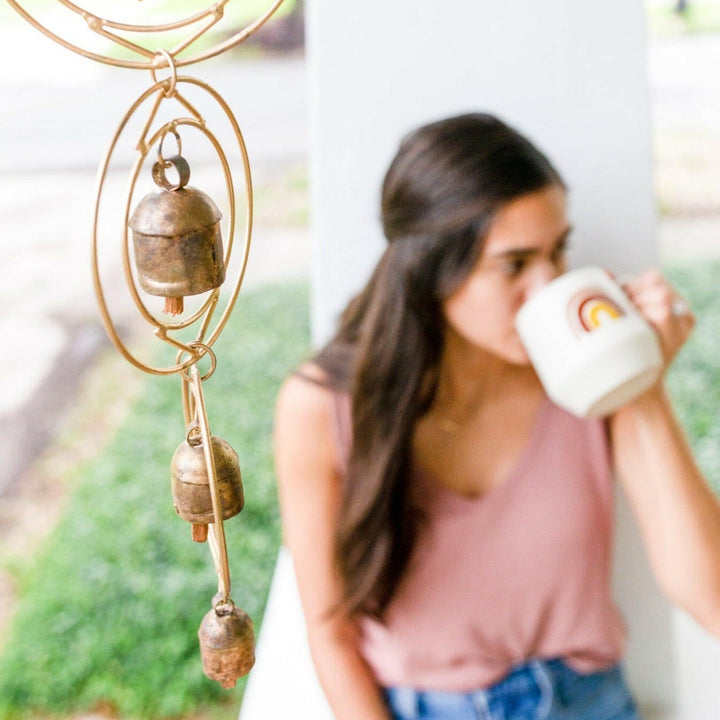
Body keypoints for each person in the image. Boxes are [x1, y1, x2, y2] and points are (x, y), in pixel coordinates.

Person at [273, 113, 720, 720]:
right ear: (434, 269)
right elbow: (331, 636)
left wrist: (640, 377)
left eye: (557, 251)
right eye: (514, 264)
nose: (548, 287)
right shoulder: (322, 408)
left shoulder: (581, 376)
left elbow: (711, 597)